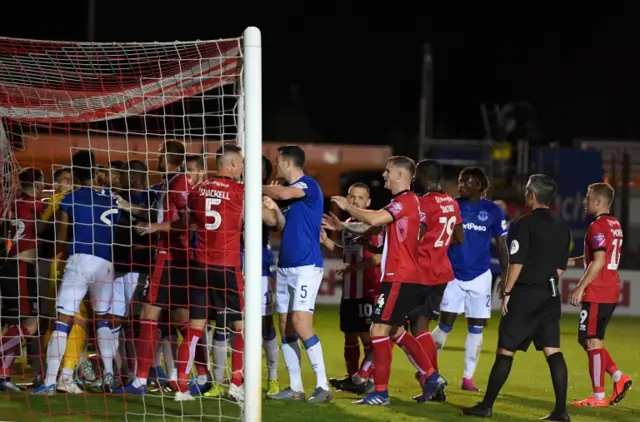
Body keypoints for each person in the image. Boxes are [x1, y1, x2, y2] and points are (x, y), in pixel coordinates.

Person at [331, 156, 443, 406]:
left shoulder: (404, 202)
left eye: (388, 171)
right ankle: (432, 376)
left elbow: (374, 220)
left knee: (377, 331)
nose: (384, 175)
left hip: (399, 276)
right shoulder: (405, 203)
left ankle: (380, 392)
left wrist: (346, 206)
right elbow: (372, 228)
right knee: (396, 331)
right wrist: (344, 226)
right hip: (402, 276)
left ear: (401, 175)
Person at [463, 174, 571, 421]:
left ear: (532, 196)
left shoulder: (525, 224)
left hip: (525, 295)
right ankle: (561, 411)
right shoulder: (562, 227)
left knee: (506, 351)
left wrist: (508, 291)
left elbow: (517, 262)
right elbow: (561, 267)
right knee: (553, 351)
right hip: (550, 296)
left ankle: (486, 406)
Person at [33, 149, 122, 395]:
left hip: (80, 260)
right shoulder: (113, 198)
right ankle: (109, 375)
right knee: (102, 317)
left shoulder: (70, 198)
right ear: (96, 170)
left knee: (63, 319)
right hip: (106, 263)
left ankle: (50, 381)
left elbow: (62, 238)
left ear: (74, 171)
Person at [113, 140, 193, 395]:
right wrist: (129, 208)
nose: (155, 160)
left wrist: (158, 229)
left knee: (148, 314)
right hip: (174, 257)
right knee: (183, 320)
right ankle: (195, 375)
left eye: (159, 156)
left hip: (169, 256)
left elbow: (188, 220)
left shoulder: (180, 183)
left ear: (169, 159)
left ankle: (140, 381)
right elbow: (157, 215)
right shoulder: (166, 185)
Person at [174, 145, 247, 402]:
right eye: (240, 164)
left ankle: (182, 387)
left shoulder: (197, 190)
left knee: (195, 328)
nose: (242, 169)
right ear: (232, 165)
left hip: (201, 266)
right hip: (226, 267)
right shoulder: (240, 191)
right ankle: (236, 384)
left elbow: (191, 217)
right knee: (241, 326)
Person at [263, 145, 331, 403]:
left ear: (288, 163)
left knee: (302, 324)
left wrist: (256, 187)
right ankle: (295, 388)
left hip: (306, 266)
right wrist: (273, 209)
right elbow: (280, 225)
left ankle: (323, 386)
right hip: (286, 266)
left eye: (279, 162)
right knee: (285, 326)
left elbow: (281, 191)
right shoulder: (289, 199)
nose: (277, 167)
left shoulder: (308, 185)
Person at [431, 167, 509, 391]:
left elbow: (502, 246)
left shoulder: (493, 211)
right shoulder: (451, 205)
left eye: (466, 182)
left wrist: (505, 277)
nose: (461, 185)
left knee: (476, 327)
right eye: (460, 181)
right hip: (452, 275)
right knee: (445, 324)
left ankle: (468, 378)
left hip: (480, 277)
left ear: (479, 185)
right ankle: (429, 370)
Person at [567, 183, 632, 407]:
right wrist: (563, 262)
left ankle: (598, 397)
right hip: (610, 288)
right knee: (586, 338)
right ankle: (618, 377)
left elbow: (599, 261)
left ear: (598, 202)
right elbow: (593, 259)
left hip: (598, 289)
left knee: (592, 341)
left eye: (587, 198)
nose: (584, 201)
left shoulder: (597, 226)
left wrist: (580, 287)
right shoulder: (614, 224)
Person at [406, 159, 463, 402]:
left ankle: (431, 379)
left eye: (416, 175)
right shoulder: (451, 202)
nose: (413, 180)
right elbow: (458, 236)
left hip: (422, 272)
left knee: (405, 327)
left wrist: (425, 244)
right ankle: (432, 380)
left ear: (426, 178)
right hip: (441, 272)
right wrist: (437, 243)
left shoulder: (422, 203)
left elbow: (414, 237)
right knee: (421, 327)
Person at [321, 182, 383, 395]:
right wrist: (328, 243)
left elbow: (377, 258)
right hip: (350, 291)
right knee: (349, 336)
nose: (355, 201)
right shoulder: (346, 223)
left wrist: (354, 268)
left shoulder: (374, 224)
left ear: (368, 202)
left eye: (359, 198)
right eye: (351, 197)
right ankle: (353, 379)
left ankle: (369, 381)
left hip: (368, 290)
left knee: (367, 337)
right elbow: (345, 254)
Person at [0, 168, 46, 391]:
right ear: (37, 183)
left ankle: (3, 375)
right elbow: (44, 227)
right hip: (22, 268)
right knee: (31, 323)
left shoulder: (11, 203)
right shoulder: (37, 205)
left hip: (9, 265)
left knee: (13, 325)